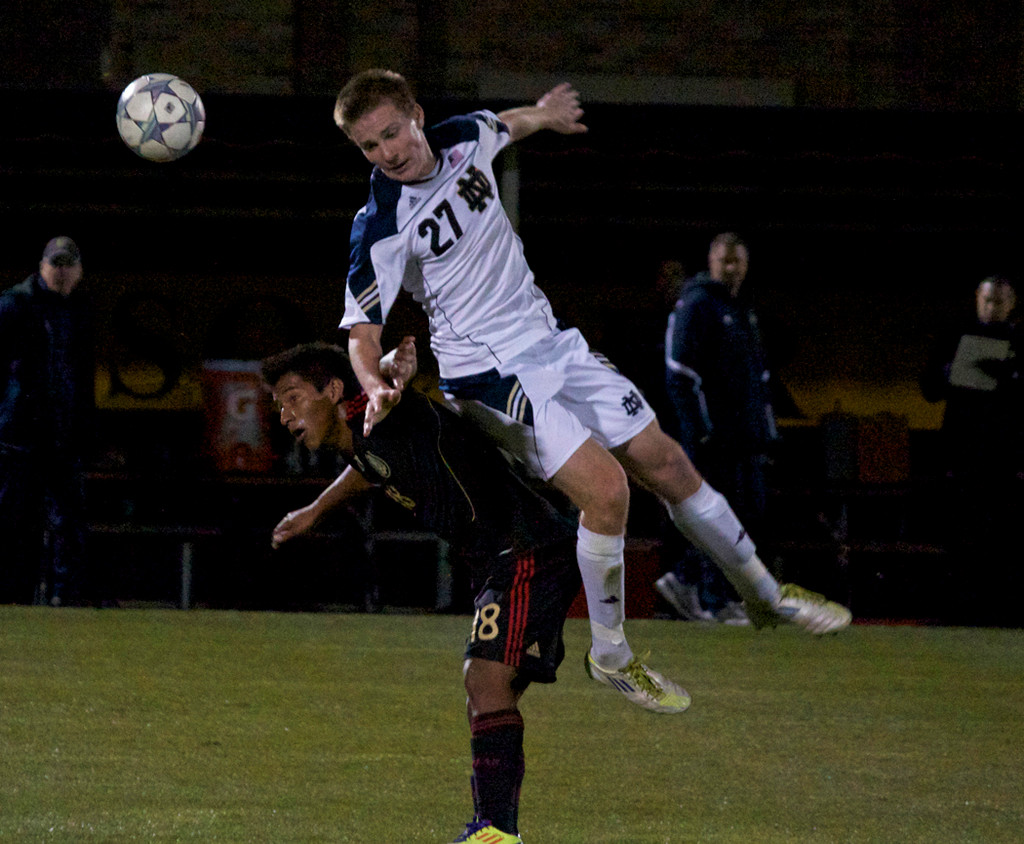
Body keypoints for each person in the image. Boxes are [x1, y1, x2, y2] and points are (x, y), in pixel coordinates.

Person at [332, 70, 851, 712]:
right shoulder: (380, 221)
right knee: (608, 493)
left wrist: (546, 115)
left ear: (414, 114)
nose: (387, 152)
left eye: (390, 132)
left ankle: (766, 598)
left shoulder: (465, 135)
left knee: (665, 460)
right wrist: (374, 385)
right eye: (368, 146)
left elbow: (507, 124)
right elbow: (361, 332)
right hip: (489, 375)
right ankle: (611, 654)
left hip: (554, 345)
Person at [261, 339, 656, 844]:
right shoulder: (357, 439)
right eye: (278, 405)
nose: (284, 413)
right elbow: (370, 468)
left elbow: (385, 396)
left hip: (525, 550)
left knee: (484, 680)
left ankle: (495, 832)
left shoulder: (377, 410)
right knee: (492, 695)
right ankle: (495, 825)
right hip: (505, 558)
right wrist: (316, 509)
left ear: (334, 389)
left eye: (293, 397)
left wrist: (389, 370)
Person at [657, 233, 780, 624]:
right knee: (722, 518)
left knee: (746, 515)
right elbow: (680, 373)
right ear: (711, 262)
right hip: (715, 439)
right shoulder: (699, 305)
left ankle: (686, 578)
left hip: (744, 438)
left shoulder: (742, 310)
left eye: (738, 261)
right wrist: (701, 430)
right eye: (725, 261)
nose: (731, 268)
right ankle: (715, 599)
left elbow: (756, 379)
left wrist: (766, 428)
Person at [920, 275, 1022, 624]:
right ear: (977, 298)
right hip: (961, 450)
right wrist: (951, 373)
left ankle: (997, 611)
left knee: (1001, 537)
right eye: (987, 300)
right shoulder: (954, 335)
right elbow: (929, 388)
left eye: (1000, 302)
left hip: (1003, 455)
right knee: (958, 533)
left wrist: (1008, 377)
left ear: (1012, 304)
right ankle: (956, 609)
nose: (992, 308)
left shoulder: (1019, 341)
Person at [0, 236, 94, 606]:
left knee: (68, 522)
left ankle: (64, 598)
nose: (61, 271)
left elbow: (81, 374)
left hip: (61, 434)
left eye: (67, 264)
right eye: (56, 264)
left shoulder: (79, 309)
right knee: (14, 520)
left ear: (79, 270)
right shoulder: (13, 305)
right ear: (42, 266)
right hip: (18, 435)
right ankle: (11, 596)